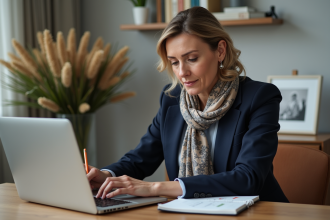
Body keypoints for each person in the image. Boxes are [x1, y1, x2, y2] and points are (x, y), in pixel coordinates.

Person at [87, 7, 288, 203]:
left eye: (191, 59)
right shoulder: (172, 99)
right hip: (190, 213)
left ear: (220, 51)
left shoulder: (260, 97)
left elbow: (248, 178)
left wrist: (155, 188)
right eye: (174, 62)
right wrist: (106, 175)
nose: (182, 72)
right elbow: (140, 158)